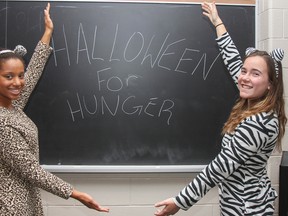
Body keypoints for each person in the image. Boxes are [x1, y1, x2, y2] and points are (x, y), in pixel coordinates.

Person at [154, 1, 286, 216]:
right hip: (240, 204)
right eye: (245, 71)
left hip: (247, 209)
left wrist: (180, 201)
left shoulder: (261, 123)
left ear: (270, 83)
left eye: (255, 73)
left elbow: (220, 166)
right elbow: (233, 60)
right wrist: (218, 22)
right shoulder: (254, 98)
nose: (244, 78)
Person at [0, 3, 109, 215]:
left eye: (19, 75)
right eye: (8, 76)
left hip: (26, 200)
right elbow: (31, 170)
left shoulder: (12, 107)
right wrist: (77, 194)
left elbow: (31, 75)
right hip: (10, 206)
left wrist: (48, 33)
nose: (17, 82)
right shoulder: (2, 122)